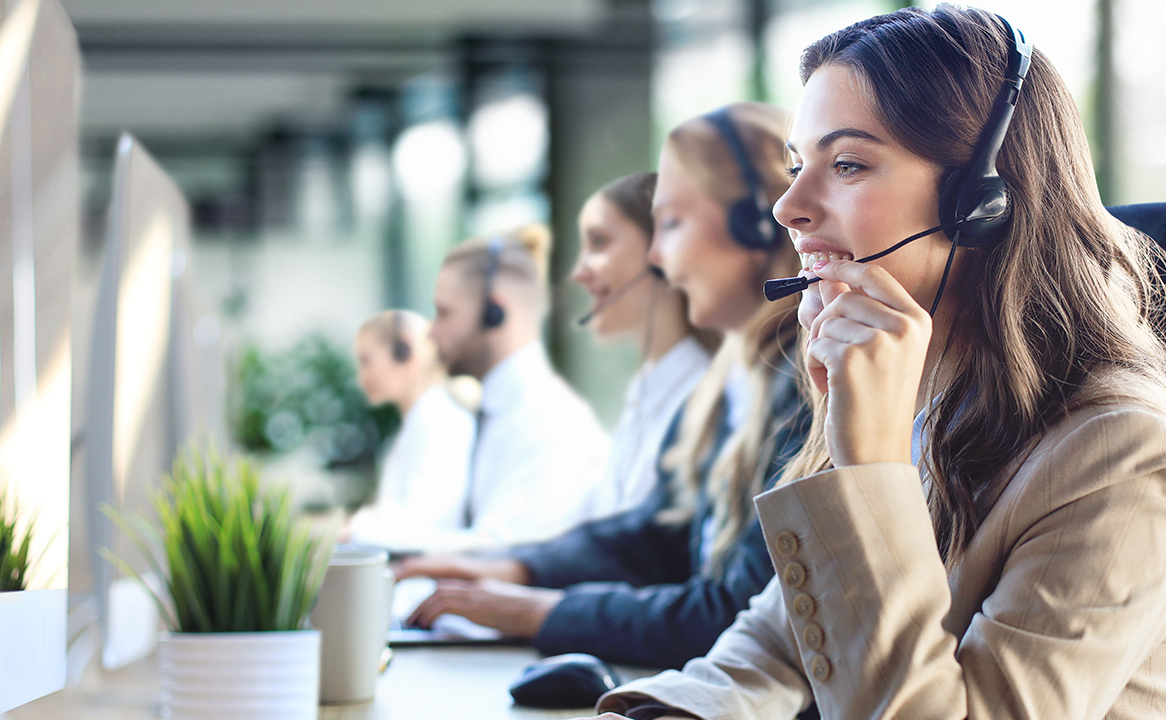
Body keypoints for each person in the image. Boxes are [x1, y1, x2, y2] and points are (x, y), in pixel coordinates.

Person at [590, 6, 1166, 720]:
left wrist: (868, 469)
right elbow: (775, 646)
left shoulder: (1124, 457)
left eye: (846, 164)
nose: (788, 208)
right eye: (796, 167)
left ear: (981, 202)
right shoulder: (926, 404)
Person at [395, 102, 813, 670]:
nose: (658, 256)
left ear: (757, 225)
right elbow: (665, 533)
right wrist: (520, 570)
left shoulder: (808, 385)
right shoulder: (741, 382)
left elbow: (736, 612)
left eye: (672, 223)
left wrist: (541, 612)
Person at [427, 224, 610, 549]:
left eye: (444, 312)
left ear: (493, 313)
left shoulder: (549, 423)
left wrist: (362, 539)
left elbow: (497, 555)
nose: (431, 332)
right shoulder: (497, 411)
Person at [573, 172, 715, 512]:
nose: (579, 272)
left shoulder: (704, 398)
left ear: (661, 254)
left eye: (599, 242)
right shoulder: (645, 389)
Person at [342, 310, 475, 550]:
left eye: (366, 361)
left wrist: (352, 532)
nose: (361, 377)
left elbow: (419, 526)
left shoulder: (444, 423)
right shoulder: (416, 425)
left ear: (405, 352)